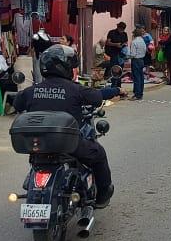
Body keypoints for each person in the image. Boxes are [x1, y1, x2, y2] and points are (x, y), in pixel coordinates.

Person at [13, 44, 113, 208]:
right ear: (64, 67)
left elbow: (17, 103)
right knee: (99, 154)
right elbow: (96, 98)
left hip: (39, 145)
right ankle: (102, 196)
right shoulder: (75, 89)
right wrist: (114, 90)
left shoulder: (32, 90)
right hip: (69, 144)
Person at [129, 27, 147, 100]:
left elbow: (133, 54)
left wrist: (127, 56)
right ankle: (140, 93)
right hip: (141, 60)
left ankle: (136, 94)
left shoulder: (134, 42)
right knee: (141, 77)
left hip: (135, 60)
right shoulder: (143, 41)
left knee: (136, 77)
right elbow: (145, 50)